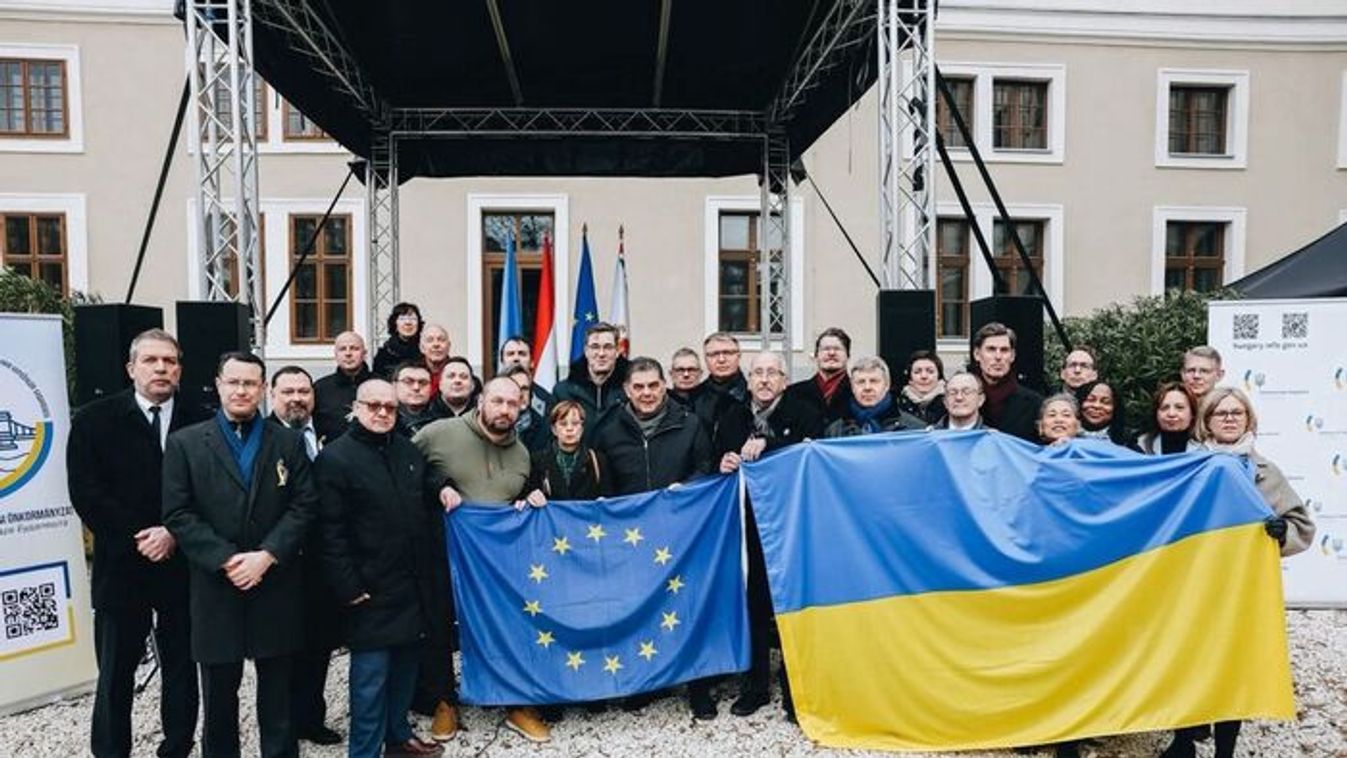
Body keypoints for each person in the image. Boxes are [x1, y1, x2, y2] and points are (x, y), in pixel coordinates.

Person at [162, 351, 317, 758]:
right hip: (217, 585)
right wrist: (228, 560)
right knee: (218, 695)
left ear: (263, 389)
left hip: (274, 580)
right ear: (218, 385)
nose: (242, 390)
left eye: (250, 383)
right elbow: (178, 513)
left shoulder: (287, 442)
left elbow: (304, 505)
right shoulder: (185, 443)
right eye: (234, 382)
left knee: (278, 694)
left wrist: (266, 555)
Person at [68, 328, 205, 758]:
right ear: (131, 368)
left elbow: (212, 491)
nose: (161, 368)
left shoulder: (201, 419)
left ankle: (177, 746)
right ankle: (111, 751)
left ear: (180, 369)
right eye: (151, 360)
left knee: (182, 666)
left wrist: (173, 533)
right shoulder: (94, 420)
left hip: (182, 563)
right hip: (121, 565)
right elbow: (87, 493)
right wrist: (140, 537)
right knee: (115, 670)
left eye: (170, 361)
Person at [1163, 387, 1316, 758]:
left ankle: (1225, 751)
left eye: (1237, 413)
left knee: (1232, 670)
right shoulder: (1187, 469)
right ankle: (1183, 742)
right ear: (1207, 421)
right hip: (1193, 588)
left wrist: (1282, 533)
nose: (1230, 419)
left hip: (1241, 592)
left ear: (1249, 420)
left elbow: (1302, 527)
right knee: (1189, 663)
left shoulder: (1266, 472)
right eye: (1221, 413)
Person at [413, 377, 550, 743]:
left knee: (506, 625)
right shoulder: (438, 433)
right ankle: (444, 702)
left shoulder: (521, 453)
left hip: (496, 562)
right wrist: (439, 484)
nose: (504, 409)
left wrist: (531, 495)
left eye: (512, 403)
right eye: (497, 401)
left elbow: (520, 494)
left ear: (521, 408)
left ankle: (514, 702)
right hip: (441, 550)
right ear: (480, 401)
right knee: (438, 625)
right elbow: (406, 468)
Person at [316, 380, 447, 758]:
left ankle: (398, 737)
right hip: (367, 589)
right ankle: (365, 751)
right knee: (370, 681)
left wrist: (445, 485)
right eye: (373, 405)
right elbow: (329, 531)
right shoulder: (335, 458)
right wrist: (347, 586)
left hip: (410, 583)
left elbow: (426, 485)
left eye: (389, 407)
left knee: (405, 669)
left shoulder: (407, 450)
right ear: (356, 408)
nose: (382, 413)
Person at [590, 357, 714, 718]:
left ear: (664, 386)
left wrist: (685, 489)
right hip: (632, 539)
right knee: (641, 610)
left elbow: (705, 468)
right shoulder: (608, 429)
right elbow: (600, 481)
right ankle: (647, 682)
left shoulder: (689, 424)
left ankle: (699, 687)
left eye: (653, 385)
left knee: (688, 609)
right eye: (639, 387)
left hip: (681, 535)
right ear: (627, 390)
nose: (647, 393)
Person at [715, 351, 822, 720]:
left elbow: (813, 457)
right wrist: (723, 461)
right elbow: (715, 462)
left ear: (784, 381)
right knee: (754, 607)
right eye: (757, 373)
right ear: (748, 381)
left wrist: (771, 446)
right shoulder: (733, 417)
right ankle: (756, 687)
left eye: (772, 373)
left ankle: (796, 689)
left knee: (793, 608)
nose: (763, 379)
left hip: (792, 527)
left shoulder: (805, 412)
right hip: (748, 527)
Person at [266, 366, 342, 746]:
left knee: (318, 646)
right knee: (280, 653)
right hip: (280, 559)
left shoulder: (333, 430)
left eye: (303, 391)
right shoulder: (260, 436)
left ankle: (311, 718)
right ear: (272, 395)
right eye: (288, 391)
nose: (296, 398)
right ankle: (281, 729)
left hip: (323, 559)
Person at [552, 322, 629, 439]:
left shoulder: (630, 390)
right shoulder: (563, 392)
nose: (601, 354)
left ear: (617, 351)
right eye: (595, 347)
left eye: (608, 347)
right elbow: (552, 435)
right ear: (586, 351)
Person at [971, 322, 1043, 442]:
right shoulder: (961, 400)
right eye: (991, 349)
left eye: (1004, 350)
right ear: (977, 354)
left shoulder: (1035, 405)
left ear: (1012, 356)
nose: (998, 357)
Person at [823, 356, 924, 437]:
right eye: (861, 382)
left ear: (887, 385)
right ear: (852, 387)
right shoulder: (834, 432)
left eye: (874, 381)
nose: (867, 387)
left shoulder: (915, 429)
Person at [529, 400, 608, 500]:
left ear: (582, 429)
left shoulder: (597, 461)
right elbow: (529, 493)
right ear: (554, 429)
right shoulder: (538, 461)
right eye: (563, 424)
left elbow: (609, 497)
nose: (569, 429)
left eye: (575, 423)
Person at [784, 327, 853, 424]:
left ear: (848, 356)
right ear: (816, 356)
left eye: (837, 349)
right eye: (826, 349)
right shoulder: (793, 393)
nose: (831, 353)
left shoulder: (857, 393)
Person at [313, 331, 372, 443]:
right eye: (342, 349)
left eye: (354, 348)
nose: (348, 353)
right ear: (336, 355)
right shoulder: (320, 388)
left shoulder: (381, 385)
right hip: (333, 451)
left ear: (364, 354)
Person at [691, 332, 749, 443]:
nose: (721, 360)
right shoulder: (694, 397)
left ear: (739, 356)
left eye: (728, 353)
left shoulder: (754, 394)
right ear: (705, 359)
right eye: (714, 354)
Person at [1135, 382, 1200, 455]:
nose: (1171, 414)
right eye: (1164, 408)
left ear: (1192, 414)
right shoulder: (1141, 447)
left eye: (1179, 407)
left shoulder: (1206, 448)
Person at [503, 364, 552, 453]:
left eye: (525, 389)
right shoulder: (494, 425)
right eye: (515, 387)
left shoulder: (544, 428)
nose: (521, 394)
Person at [498, 335, 552, 415]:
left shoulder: (545, 399)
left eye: (522, 354)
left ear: (532, 362)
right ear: (502, 362)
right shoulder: (491, 394)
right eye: (510, 354)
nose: (516, 358)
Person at [896, 350, 947, 426]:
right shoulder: (897, 405)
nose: (924, 376)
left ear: (939, 376)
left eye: (930, 371)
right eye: (917, 372)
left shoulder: (950, 403)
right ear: (910, 378)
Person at [393, 361, 444, 437]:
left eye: (423, 383)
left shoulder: (442, 422)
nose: (416, 387)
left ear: (431, 387)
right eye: (408, 382)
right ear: (394, 386)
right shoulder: (383, 420)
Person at [1073, 379, 1130, 447]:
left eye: (1105, 402)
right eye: (1091, 400)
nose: (1096, 406)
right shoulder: (1065, 437)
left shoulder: (1127, 442)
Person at [373, 303, 424, 378]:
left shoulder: (425, 351)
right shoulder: (383, 355)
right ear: (395, 324)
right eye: (402, 319)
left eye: (413, 319)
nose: (408, 322)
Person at [419, 325, 452, 397]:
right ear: (422, 348)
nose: (436, 344)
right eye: (430, 340)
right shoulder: (412, 373)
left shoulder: (459, 373)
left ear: (449, 346)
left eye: (441, 340)